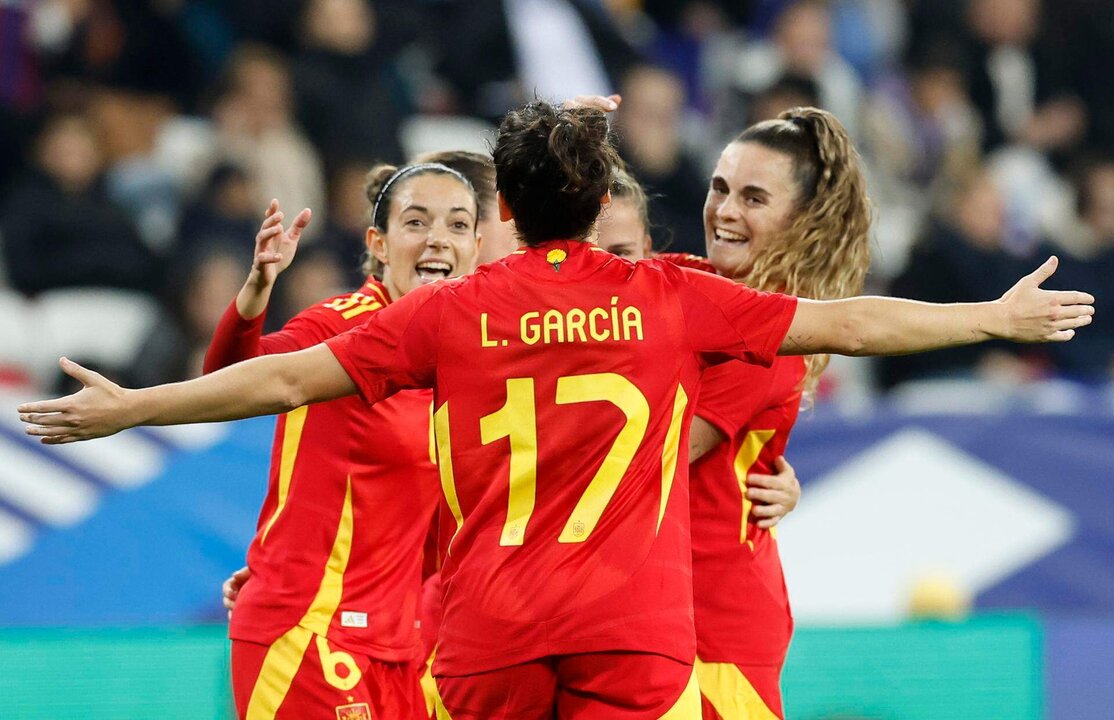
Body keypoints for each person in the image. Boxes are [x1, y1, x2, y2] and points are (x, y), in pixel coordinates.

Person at [19, 101, 1093, 719]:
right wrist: (988, 317)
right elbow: (850, 325)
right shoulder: (672, 298)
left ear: (504, 216)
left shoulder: (458, 315)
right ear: (596, 207)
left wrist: (136, 408)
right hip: (631, 624)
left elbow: (289, 379)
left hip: (487, 624)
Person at [205, 161, 481, 720]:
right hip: (311, 634)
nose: (437, 240)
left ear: (478, 245)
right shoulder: (343, 325)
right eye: (416, 222)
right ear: (378, 243)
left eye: (456, 226)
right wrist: (257, 290)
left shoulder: (465, 356)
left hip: (399, 649)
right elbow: (232, 375)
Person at [685, 108, 868, 720]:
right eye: (720, 188)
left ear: (802, 223)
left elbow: (650, 452)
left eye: (753, 198)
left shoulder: (762, 345)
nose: (725, 211)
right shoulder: (699, 291)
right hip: (668, 614)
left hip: (711, 629)